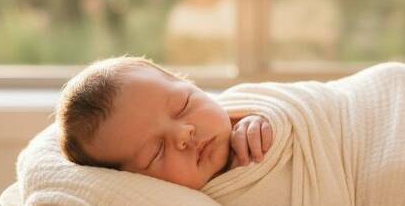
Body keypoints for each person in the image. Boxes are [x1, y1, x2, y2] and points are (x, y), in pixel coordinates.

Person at [57, 55, 272, 190]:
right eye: (156, 151)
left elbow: (296, 105)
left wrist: (264, 118)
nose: (183, 135)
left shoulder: (249, 111)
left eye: (183, 105)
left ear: (192, 84)